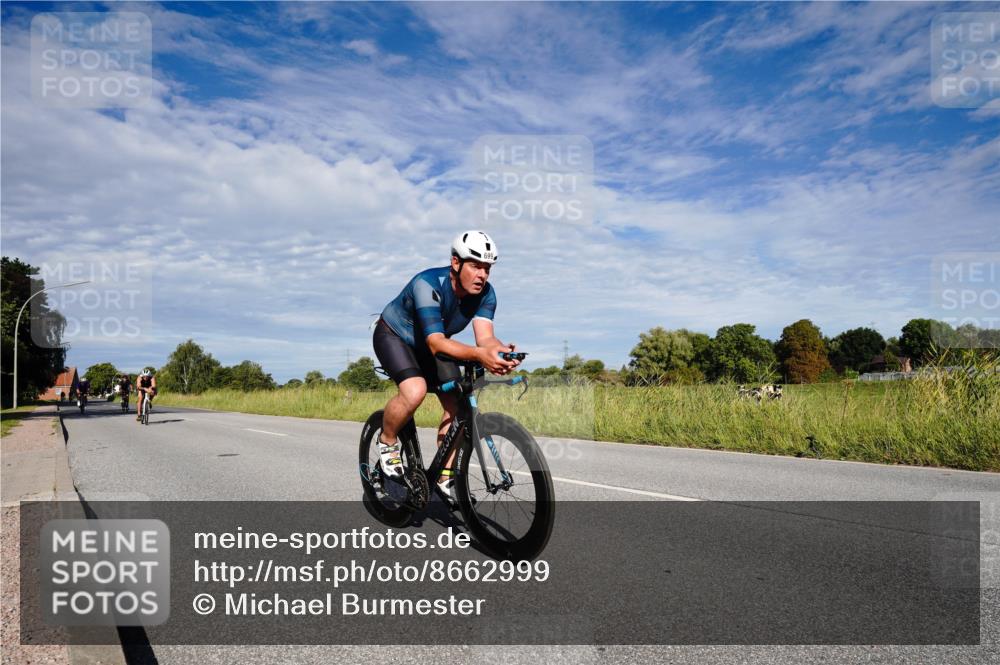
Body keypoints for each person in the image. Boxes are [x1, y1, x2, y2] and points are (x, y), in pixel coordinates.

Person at [373, 231, 520, 503]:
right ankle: (388, 440)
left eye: (487, 268)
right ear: (456, 263)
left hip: (434, 344)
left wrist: (499, 353)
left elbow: (485, 339)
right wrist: (479, 355)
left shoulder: (486, 294)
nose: (482, 275)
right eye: (476, 266)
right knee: (414, 391)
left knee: (458, 406)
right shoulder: (427, 284)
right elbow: (437, 343)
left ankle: (444, 478)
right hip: (394, 337)